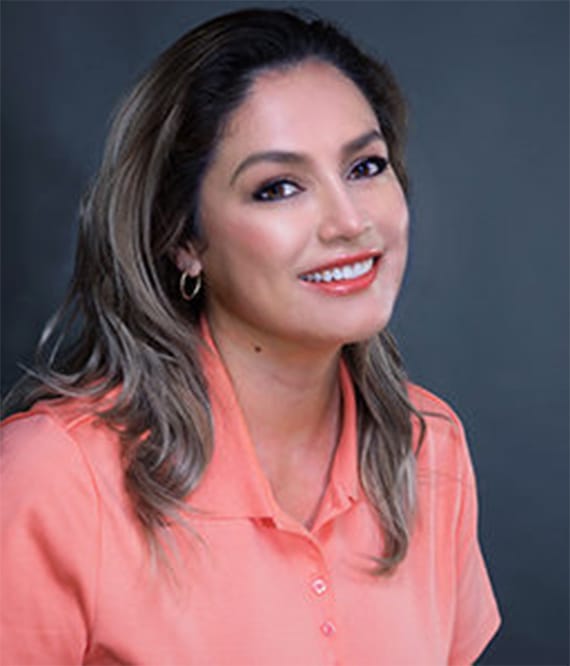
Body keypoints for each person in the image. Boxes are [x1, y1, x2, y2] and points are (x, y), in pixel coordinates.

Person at [1, 7, 500, 664]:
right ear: (184, 240)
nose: (349, 222)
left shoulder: (429, 446)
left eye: (364, 167)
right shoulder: (55, 476)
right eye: (279, 188)